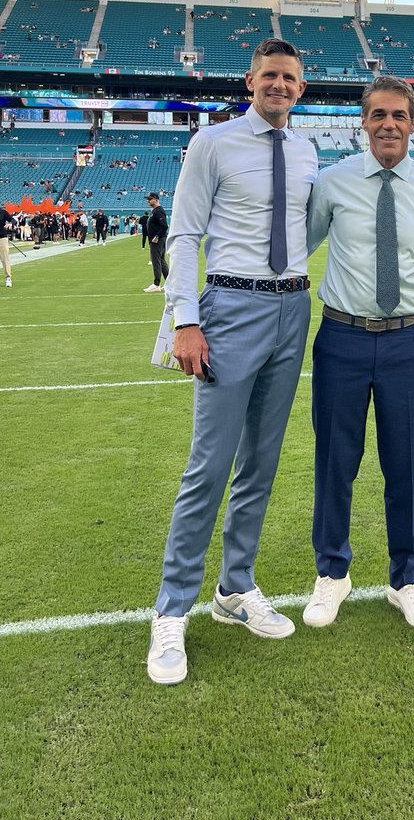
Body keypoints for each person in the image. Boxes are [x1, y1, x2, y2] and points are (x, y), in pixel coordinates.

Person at [148, 38, 318, 686]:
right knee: (209, 465)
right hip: (229, 309)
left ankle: (234, 589)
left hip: (290, 311)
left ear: (301, 89)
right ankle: (171, 609)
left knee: (261, 464)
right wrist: (186, 320)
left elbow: (306, 229)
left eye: (290, 78)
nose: (279, 85)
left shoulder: (306, 151)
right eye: (269, 75)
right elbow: (185, 233)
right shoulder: (212, 143)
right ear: (250, 81)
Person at [303, 76, 414, 635]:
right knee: (334, 460)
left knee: (406, 462)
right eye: (378, 115)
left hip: (407, 341)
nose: (389, 124)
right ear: (362, 122)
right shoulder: (332, 183)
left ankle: (406, 578)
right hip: (342, 338)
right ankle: (332, 572)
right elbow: (297, 249)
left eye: (399, 115)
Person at [143, 193, 169, 293]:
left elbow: (164, 226)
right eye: (148, 199)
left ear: (156, 199)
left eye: (150, 199)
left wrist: (157, 236)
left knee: (156, 261)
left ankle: (156, 284)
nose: (148, 201)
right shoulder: (155, 211)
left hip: (157, 240)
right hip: (157, 239)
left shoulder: (159, 211)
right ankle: (169, 283)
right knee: (161, 261)